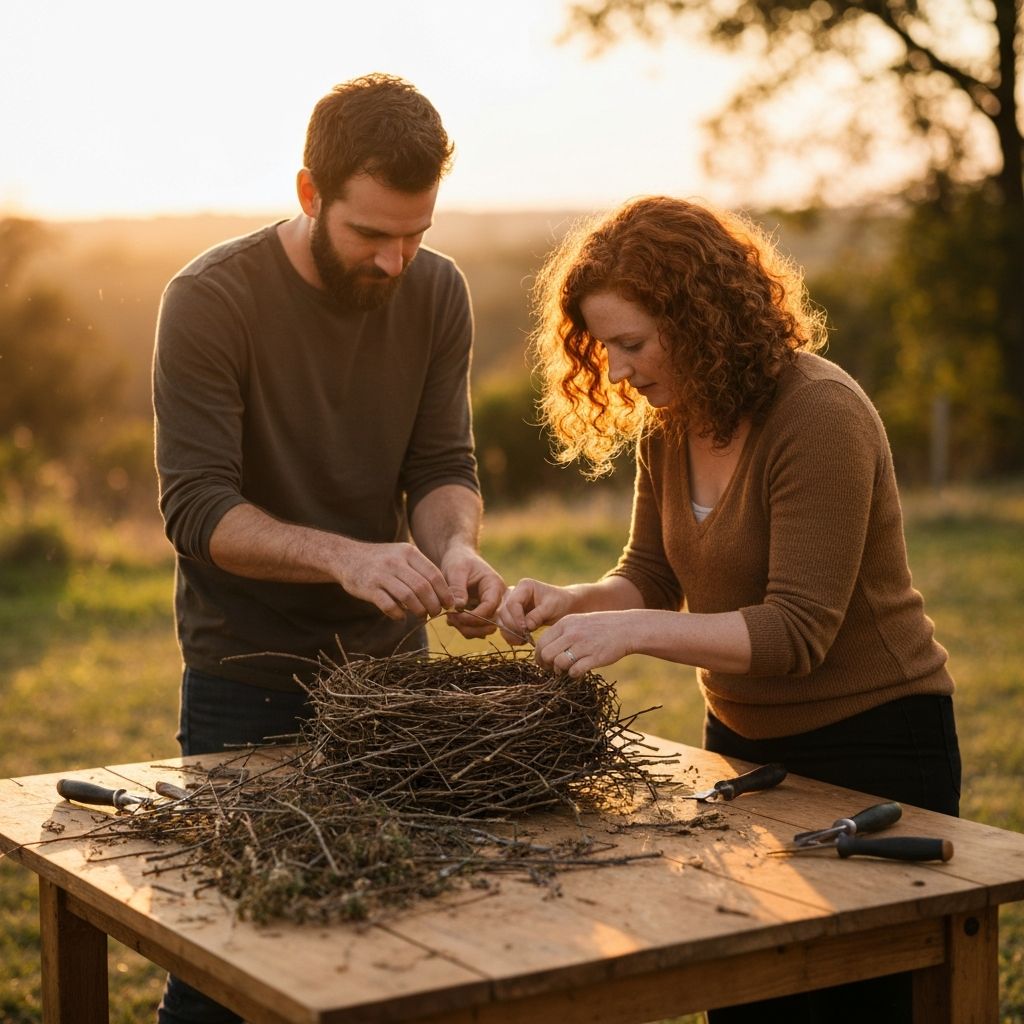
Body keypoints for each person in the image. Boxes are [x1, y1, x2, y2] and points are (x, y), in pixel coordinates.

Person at [497, 196, 961, 1022]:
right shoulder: (669, 426)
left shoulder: (819, 414)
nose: (615, 371)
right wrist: (575, 601)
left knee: (856, 1006)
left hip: (879, 745)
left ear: (699, 318)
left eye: (631, 343)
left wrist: (629, 632)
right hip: (743, 751)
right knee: (747, 998)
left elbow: (797, 632)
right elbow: (649, 573)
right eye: (604, 348)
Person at [153, 73, 504, 1024]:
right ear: (309, 193)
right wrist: (347, 557)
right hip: (245, 680)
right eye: (371, 234)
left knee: (401, 948)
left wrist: (457, 547)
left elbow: (441, 465)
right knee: (230, 959)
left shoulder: (438, 293)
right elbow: (195, 509)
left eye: (416, 234)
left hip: (394, 683)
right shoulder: (209, 300)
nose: (397, 261)